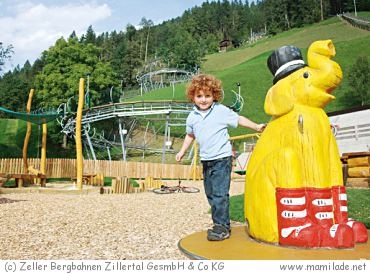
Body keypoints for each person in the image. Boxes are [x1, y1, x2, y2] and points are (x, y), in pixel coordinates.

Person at [175, 74, 265, 241]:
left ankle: (222, 226)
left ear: (214, 96)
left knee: (220, 193)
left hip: (222, 159)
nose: (203, 100)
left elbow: (238, 120)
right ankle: (219, 222)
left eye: (207, 96)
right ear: (193, 97)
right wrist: (182, 151)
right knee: (210, 193)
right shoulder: (192, 117)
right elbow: (190, 135)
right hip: (206, 160)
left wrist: (256, 126)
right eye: (199, 96)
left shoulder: (220, 111)